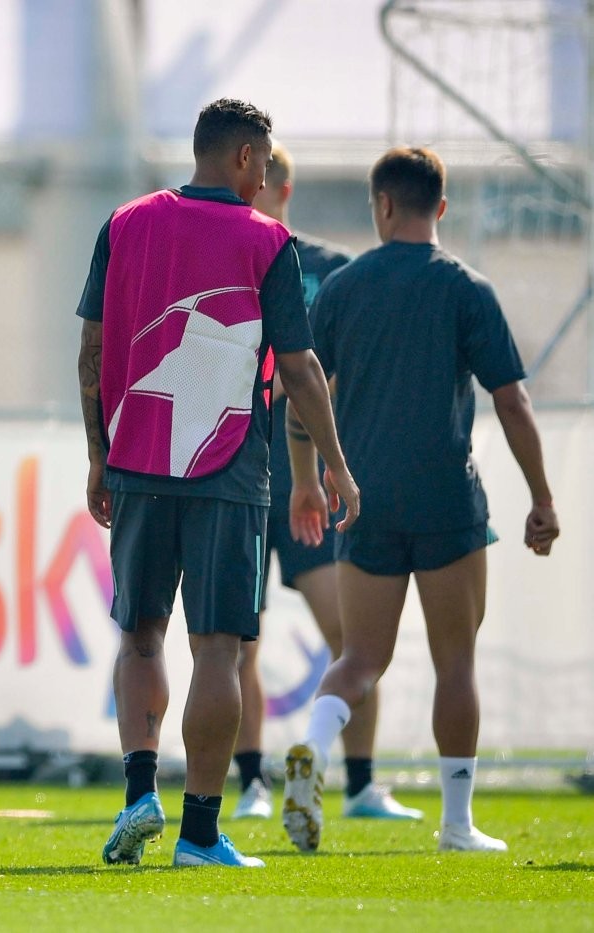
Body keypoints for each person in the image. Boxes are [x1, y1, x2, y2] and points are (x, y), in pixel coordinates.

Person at [76, 98, 359, 869]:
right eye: (263, 163)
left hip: (136, 455)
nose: (265, 176)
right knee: (217, 649)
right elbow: (297, 366)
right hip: (228, 465)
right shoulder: (266, 239)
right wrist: (332, 459)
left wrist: (97, 454)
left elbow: (92, 351)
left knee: (138, 634)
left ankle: (139, 793)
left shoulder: (124, 222)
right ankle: (200, 833)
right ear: (241, 158)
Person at [282, 146, 558, 854]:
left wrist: (307, 480)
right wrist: (539, 495)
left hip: (364, 500)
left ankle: (312, 746)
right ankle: (457, 823)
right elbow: (512, 401)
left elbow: (302, 398)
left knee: (359, 659)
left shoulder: (342, 288)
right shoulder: (465, 287)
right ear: (440, 207)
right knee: (454, 662)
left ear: (379, 205)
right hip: (445, 499)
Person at [231, 143, 421, 823]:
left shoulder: (330, 270)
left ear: (278, 191)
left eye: (256, 187)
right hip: (239, 476)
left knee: (351, 636)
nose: (245, 198)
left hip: (306, 479)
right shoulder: (220, 259)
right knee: (236, 640)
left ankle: (362, 783)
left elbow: (336, 369)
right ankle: (249, 783)